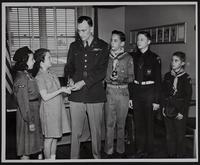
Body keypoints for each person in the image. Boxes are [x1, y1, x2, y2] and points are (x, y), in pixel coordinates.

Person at [64, 16, 109, 159]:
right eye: (79, 31)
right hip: (76, 95)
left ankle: (97, 158)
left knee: (96, 132)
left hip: (95, 94)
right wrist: (70, 78)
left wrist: (83, 82)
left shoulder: (102, 46)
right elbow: (69, 66)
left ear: (91, 29)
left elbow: (101, 71)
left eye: (84, 30)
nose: (81, 34)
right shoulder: (74, 46)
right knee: (75, 132)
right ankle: (73, 159)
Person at [33, 48, 71, 160]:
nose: (51, 59)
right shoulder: (39, 77)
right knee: (49, 139)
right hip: (48, 112)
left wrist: (66, 90)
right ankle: (47, 160)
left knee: (55, 137)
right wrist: (61, 90)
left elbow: (56, 90)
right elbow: (45, 97)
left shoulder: (52, 73)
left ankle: (53, 159)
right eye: (49, 57)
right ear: (41, 61)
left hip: (57, 109)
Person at [129, 31, 162, 158]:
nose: (138, 41)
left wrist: (156, 100)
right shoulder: (133, 57)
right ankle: (139, 149)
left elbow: (158, 80)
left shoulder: (155, 58)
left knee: (149, 123)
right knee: (138, 123)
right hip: (137, 91)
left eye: (142, 39)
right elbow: (131, 78)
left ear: (149, 42)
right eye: (138, 39)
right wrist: (131, 97)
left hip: (150, 92)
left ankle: (149, 151)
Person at [104, 30, 134, 158]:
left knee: (121, 124)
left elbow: (132, 77)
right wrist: (109, 78)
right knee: (109, 123)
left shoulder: (128, 58)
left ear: (122, 43)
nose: (112, 43)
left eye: (115, 40)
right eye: (111, 40)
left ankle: (121, 150)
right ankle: (108, 150)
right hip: (110, 91)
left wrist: (121, 78)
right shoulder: (106, 57)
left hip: (123, 92)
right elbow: (103, 76)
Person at [13, 46, 43, 160]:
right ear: (24, 61)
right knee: (26, 149)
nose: (34, 61)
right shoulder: (21, 78)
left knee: (33, 147)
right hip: (27, 116)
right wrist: (30, 121)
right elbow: (23, 102)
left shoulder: (27, 74)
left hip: (33, 113)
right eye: (31, 59)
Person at [162, 51, 192, 158]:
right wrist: (163, 109)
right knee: (169, 135)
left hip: (180, 111)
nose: (173, 63)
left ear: (182, 63)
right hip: (168, 109)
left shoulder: (186, 78)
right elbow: (163, 94)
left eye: (176, 61)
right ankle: (171, 156)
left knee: (179, 136)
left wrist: (182, 112)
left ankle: (180, 157)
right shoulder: (167, 76)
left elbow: (187, 98)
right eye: (172, 60)